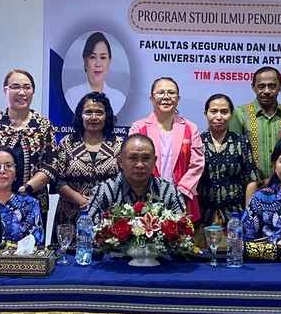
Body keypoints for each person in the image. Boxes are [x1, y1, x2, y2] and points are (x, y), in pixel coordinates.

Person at [0, 69, 57, 227]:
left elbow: (51, 165)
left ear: (33, 91)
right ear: (5, 91)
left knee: (32, 243)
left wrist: (25, 189)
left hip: (32, 204)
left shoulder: (44, 125)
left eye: (27, 87)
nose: (21, 92)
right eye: (15, 87)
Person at [129, 77, 205, 221]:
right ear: (151, 98)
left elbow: (197, 164)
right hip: (146, 199)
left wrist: (179, 193)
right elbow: (131, 163)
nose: (166, 97)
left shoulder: (190, 128)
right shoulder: (138, 128)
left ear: (178, 98)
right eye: (161, 92)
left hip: (182, 199)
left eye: (171, 93)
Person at [48, 92, 122, 229]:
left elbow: (124, 180)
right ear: (80, 116)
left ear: (107, 116)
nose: (93, 117)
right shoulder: (67, 143)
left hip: (107, 216)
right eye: (88, 112)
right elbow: (58, 181)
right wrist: (81, 201)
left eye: (99, 112)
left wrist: (97, 201)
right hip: (70, 217)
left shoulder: (119, 145)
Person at [88, 133, 186, 220]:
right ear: (121, 162)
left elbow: (183, 232)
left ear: (154, 161)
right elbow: (90, 232)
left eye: (146, 158)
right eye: (133, 158)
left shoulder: (170, 193)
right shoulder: (102, 193)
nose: (140, 165)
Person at [198, 93, 260, 229]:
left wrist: (248, 214)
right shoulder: (197, 142)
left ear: (231, 114)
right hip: (203, 214)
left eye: (224, 112)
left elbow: (251, 179)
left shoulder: (241, 142)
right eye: (213, 111)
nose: (218, 117)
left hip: (235, 215)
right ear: (206, 114)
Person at [229, 66, 281, 181]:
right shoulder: (240, 114)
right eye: (261, 86)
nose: (267, 91)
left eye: (272, 86)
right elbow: (233, 153)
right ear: (253, 87)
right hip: (250, 185)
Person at [64, 31, 126, 115]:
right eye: (92, 57)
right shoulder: (72, 95)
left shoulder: (119, 98)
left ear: (109, 61)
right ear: (85, 61)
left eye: (103, 57)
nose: (98, 64)